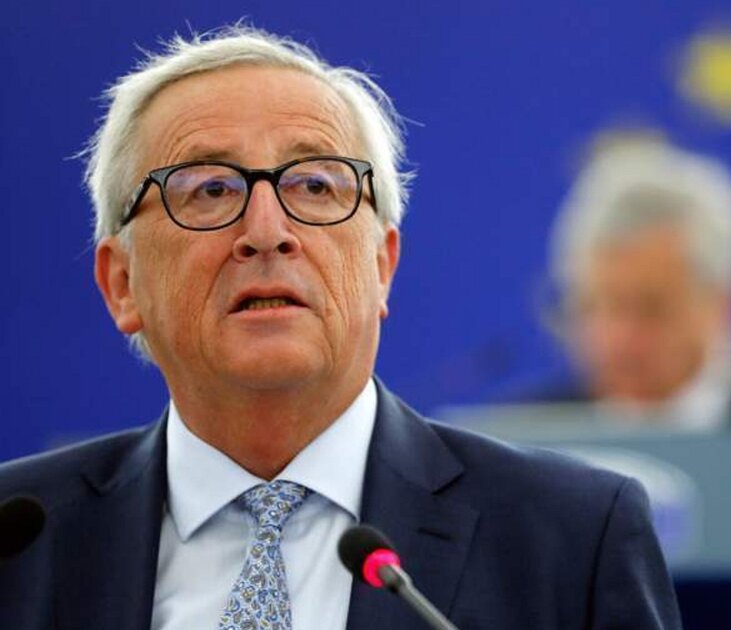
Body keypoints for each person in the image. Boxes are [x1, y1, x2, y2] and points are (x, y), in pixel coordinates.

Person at [0, 26, 680, 630]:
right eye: (210, 189)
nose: (267, 231)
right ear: (122, 284)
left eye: (315, 186)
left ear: (382, 265)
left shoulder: (572, 538)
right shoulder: (18, 543)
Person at [515, 139, 731, 431]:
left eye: (651, 309)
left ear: (729, 304)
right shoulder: (527, 438)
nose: (620, 339)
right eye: (595, 306)